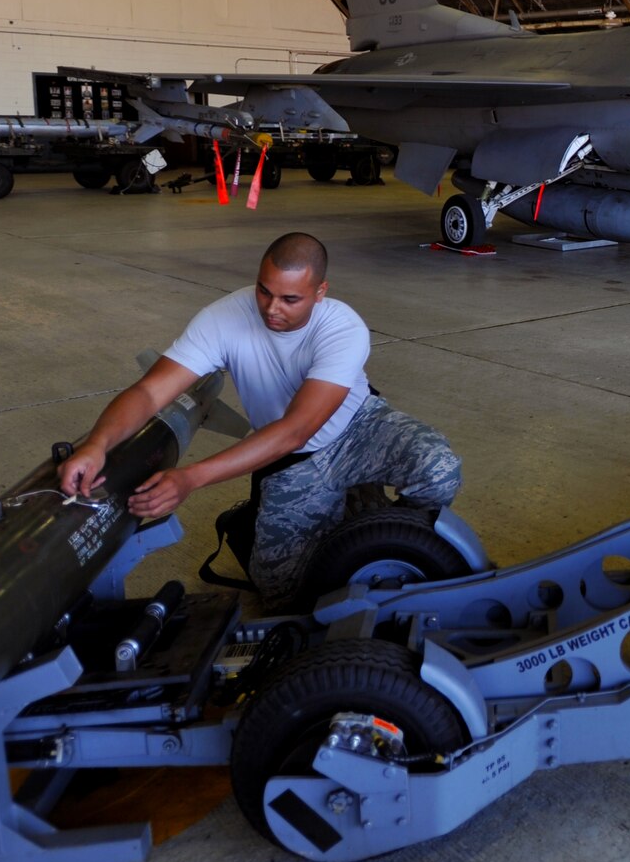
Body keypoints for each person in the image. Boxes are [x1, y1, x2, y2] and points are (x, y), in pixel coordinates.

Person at [58, 232, 461, 610]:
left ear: (320, 292)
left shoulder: (343, 327)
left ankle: (376, 525)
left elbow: (298, 427)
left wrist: (191, 478)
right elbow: (149, 392)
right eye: (264, 291)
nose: (271, 309)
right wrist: (97, 444)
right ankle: (345, 509)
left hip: (359, 429)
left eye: (290, 299)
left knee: (438, 470)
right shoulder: (223, 318)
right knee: (283, 594)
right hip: (293, 461)